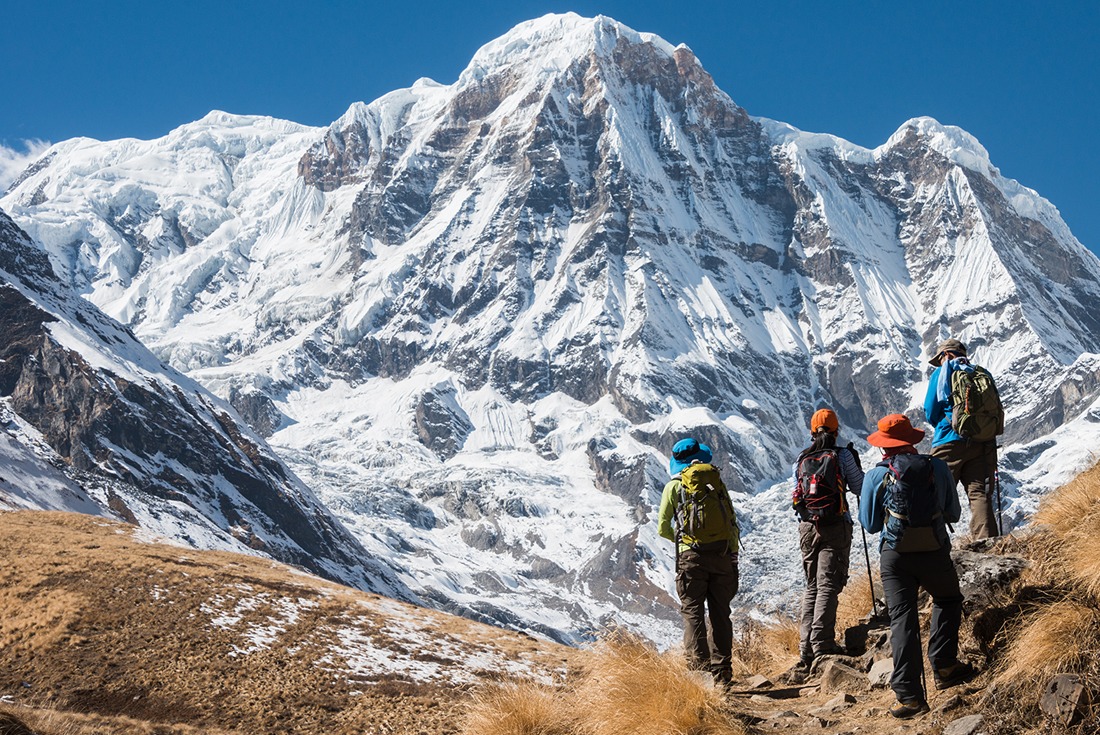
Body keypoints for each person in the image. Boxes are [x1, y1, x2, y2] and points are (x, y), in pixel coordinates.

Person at [859, 413, 977, 719]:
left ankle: (910, 697)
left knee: (902, 619)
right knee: (948, 599)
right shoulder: (936, 466)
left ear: (884, 447)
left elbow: (870, 525)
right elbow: (952, 513)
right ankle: (946, 665)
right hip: (934, 549)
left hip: (895, 556)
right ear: (912, 441)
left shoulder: (876, 476)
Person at [785, 408, 864, 683]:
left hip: (807, 526)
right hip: (835, 523)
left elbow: (798, 492)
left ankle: (805, 649)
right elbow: (858, 486)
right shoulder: (842, 455)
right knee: (829, 584)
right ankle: (823, 643)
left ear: (812, 431)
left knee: (812, 586)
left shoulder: (802, 458)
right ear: (836, 430)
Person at [657, 438, 740, 686]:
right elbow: (732, 521)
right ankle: (723, 671)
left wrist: (682, 540)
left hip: (690, 558)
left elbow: (662, 527)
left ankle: (699, 672)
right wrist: (732, 556)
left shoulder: (673, 487)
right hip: (722, 554)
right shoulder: (716, 482)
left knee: (693, 612)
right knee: (720, 614)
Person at [923, 338, 1001, 538]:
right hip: (982, 442)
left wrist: (946, 423)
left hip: (948, 442)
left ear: (946, 355)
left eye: (940, 358)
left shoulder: (941, 373)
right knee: (979, 494)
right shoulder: (981, 373)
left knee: (934, 495)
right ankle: (987, 544)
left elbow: (930, 411)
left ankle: (934, 547)